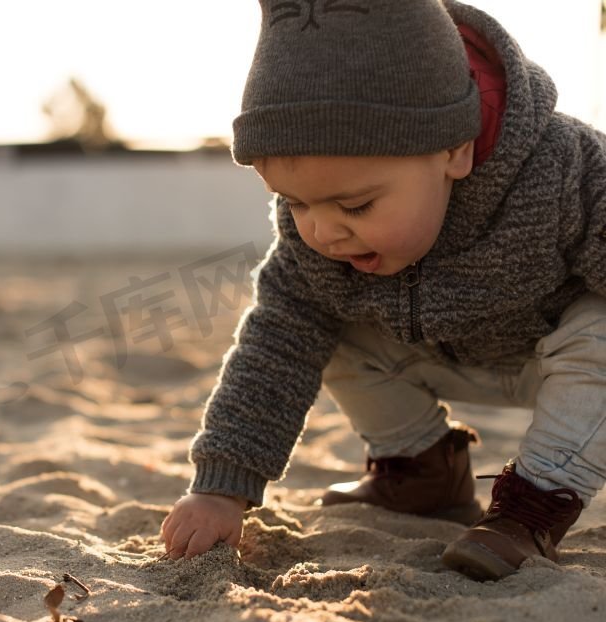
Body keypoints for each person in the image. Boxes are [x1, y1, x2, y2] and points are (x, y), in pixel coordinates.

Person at [160, 0, 606, 581]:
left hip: (562, 361)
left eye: (356, 205)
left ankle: (532, 508)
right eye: (295, 203)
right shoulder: (317, 243)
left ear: (454, 150)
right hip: (440, 354)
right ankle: (423, 473)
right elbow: (274, 343)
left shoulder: (565, 171)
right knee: (312, 318)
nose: (322, 230)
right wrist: (223, 484)